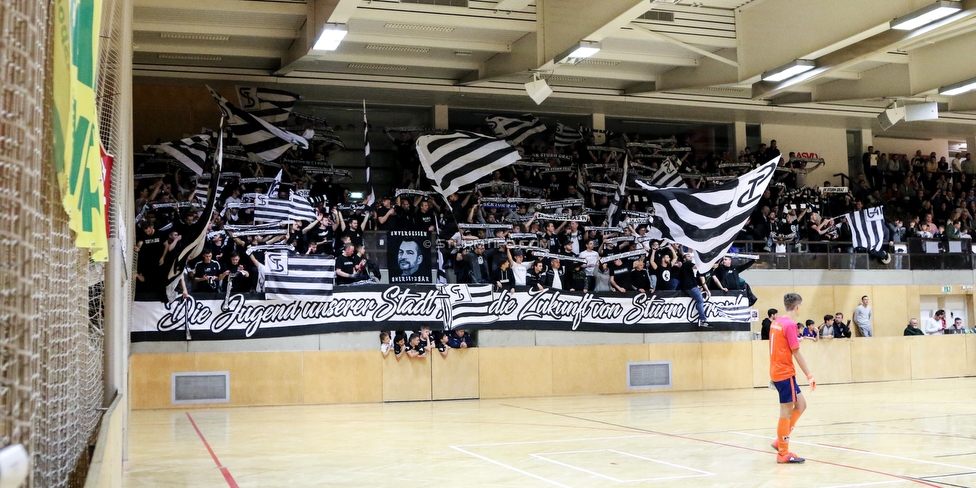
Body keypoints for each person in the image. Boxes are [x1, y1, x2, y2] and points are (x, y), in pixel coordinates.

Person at [769, 292, 816, 464]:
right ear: (797, 306)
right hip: (784, 372)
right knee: (785, 412)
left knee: (801, 404)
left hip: (777, 370)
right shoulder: (790, 325)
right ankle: (783, 453)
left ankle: (780, 439)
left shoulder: (776, 322)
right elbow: (796, 352)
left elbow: (783, 344)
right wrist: (809, 375)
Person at [678, 253, 710, 328]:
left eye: (690, 256)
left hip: (691, 286)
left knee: (699, 301)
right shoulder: (687, 264)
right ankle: (702, 319)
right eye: (688, 256)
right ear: (684, 258)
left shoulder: (686, 266)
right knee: (700, 301)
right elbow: (697, 267)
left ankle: (702, 319)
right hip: (690, 287)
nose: (690, 257)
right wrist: (709, 265)